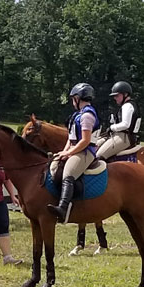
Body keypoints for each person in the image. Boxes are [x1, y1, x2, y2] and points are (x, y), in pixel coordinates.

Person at [46, 82, 100, 222]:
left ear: (78, 98)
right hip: (75, 149)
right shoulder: (77, 115)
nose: (72, 102)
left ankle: (63, 209)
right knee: (54, 165)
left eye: (73, 99)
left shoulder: (87, 116)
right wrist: (62, 153)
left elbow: (85, 141)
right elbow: (71, 139)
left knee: (68, 173)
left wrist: (69, 154)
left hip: (85, 151)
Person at [96, 81, 141, 161]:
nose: (115, 98)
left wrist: (112, 127)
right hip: (121, 136)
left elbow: (125, 125)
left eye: (117, 95)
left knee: (99, 155)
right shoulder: (129, 105)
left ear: (125, 94)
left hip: (124, 138)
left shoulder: (127, 106)